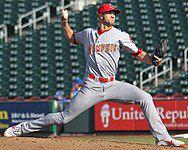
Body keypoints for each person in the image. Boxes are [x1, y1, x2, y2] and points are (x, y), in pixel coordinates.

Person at [4, 3, 185, 147]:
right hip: (91, 86)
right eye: (109, 12)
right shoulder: (88, 34)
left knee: (146, 97)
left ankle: (162, 138)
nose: (113, 15)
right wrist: (64, 23)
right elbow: (72, 38)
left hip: (113, 84)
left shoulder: (119, 35)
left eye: (115, 13)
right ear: (100, 16)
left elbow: (139, 54)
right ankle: (18, 129)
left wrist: (154, 60)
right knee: (63, 117)